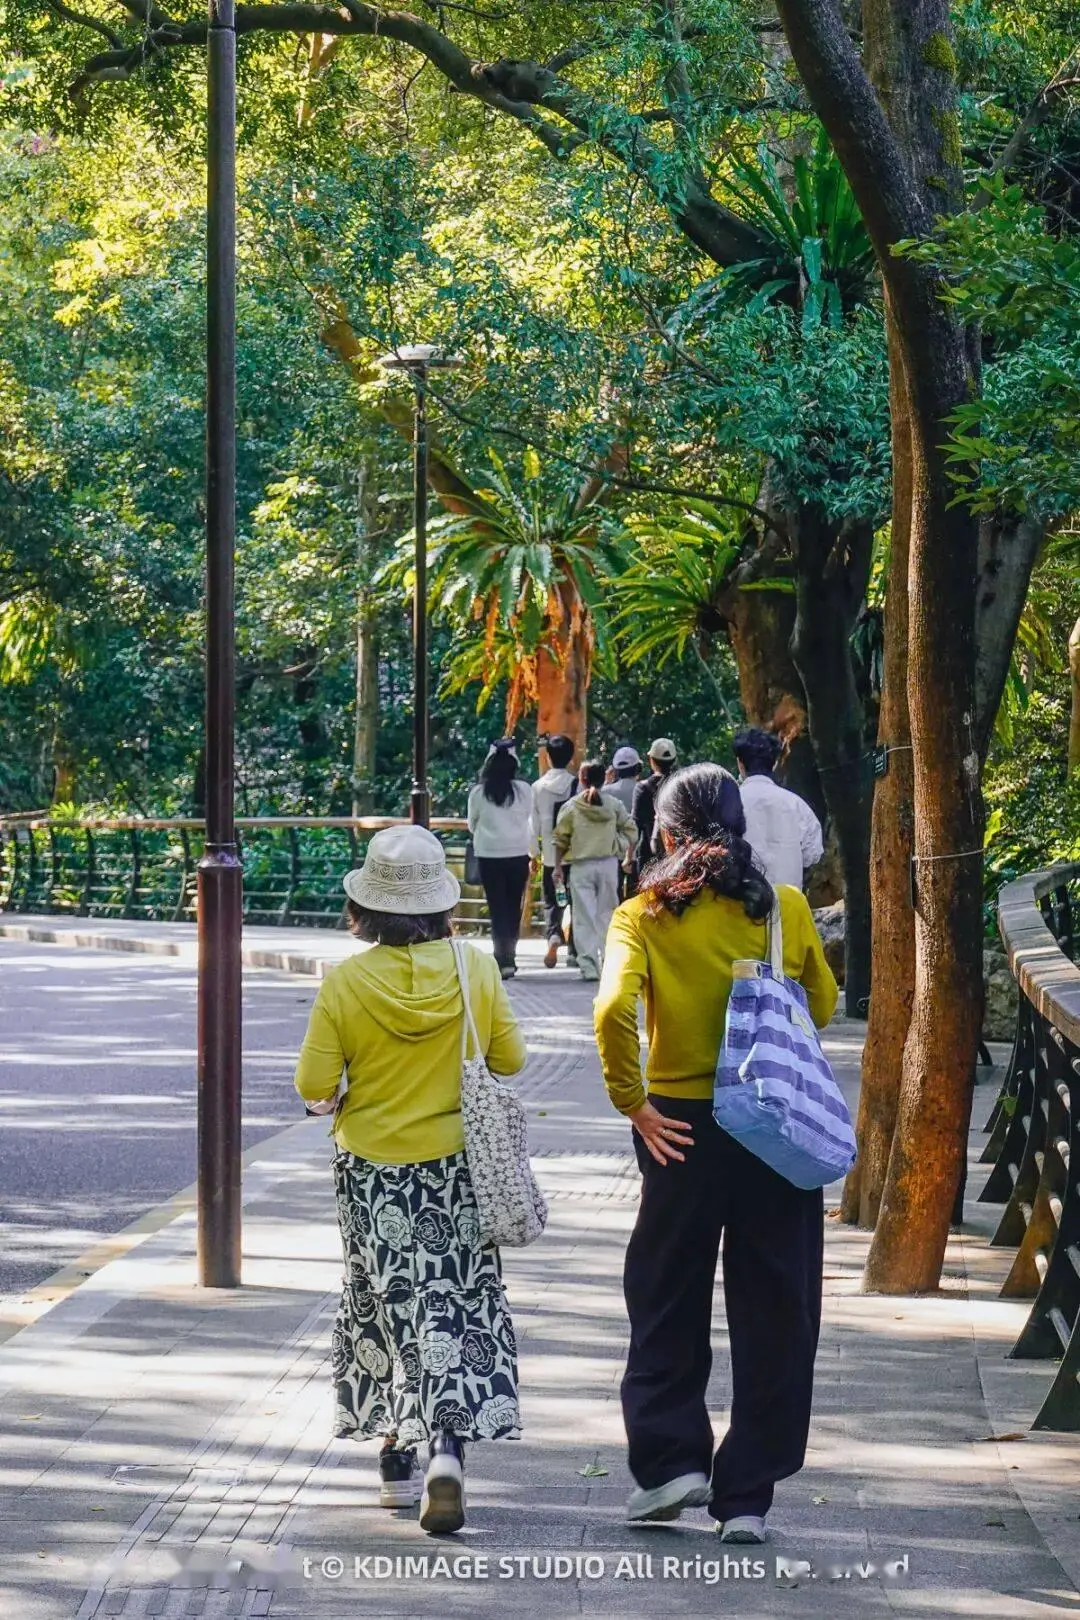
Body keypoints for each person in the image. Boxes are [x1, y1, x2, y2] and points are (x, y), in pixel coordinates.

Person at [594, 763, 837, 1542]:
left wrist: (634, 1103)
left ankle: (671, 1465)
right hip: (770, 1128)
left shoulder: (641, 914)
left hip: (680, 1130)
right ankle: (748, 1497)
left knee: (665, 1292)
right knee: (776, 1306)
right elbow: (824, 1006)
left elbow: (610, 1012)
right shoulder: (783, 908)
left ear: (663, 834)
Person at [294, 825, 527, 1536]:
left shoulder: (345, 981)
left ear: (367, 906)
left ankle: (398, 1449)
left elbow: (312, 1083)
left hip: (371, 1173)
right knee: (451, 1303)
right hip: (457, 1166)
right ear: (440, 905)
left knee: (386, 1301)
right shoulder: (475, 968)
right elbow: (510, 1060)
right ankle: (447, 1449)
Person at [552, 760, 637, 982]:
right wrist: (620, 847)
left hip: (581, 866)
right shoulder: (613, 804)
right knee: (607, 914)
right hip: (609, 865)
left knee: (584, 917)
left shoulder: (571, 807)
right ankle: (609, 961)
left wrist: (558, 866)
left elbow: (560, 839)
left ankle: (589, 966)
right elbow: (632, 831)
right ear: (604, 778)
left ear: (582, 780)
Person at [467, 738, 533, 979]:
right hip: (517, 854)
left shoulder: (478, 793)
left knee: (497, 907)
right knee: (513, 906)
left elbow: (472, 825)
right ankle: (510, 958)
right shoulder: (524, 790)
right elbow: (530, 818)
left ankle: (500, 957)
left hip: (488, 855)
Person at [733, 727, 823, 891]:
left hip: (745, 909)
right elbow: (813, 855)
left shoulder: (729, 804)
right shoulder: (796, 804)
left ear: (740, 763)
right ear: (774, 763)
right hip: (789, 904)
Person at [530, 733, 578, 970]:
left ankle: (553, 935)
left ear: (548, 757)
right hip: (575, 855)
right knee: (575, 902)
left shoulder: (537, 788)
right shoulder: (577, 785)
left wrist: (533, 854)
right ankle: (574, 952)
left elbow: (534, 825)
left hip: (550, 856)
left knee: (552, 900)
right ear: (571, 758)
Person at [632, 738, 678, 868]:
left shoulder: (642, 788)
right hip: (676, 854)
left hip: (649, 856)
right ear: (674, 760)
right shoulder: (681, 784)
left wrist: (629, 856)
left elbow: (636, 824)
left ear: (651, 760)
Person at [607, 745, 643, 899]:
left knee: (613, 898)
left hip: (612, 852)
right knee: (635, 898)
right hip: (636, 852)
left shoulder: (606, 791)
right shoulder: (642, 789)